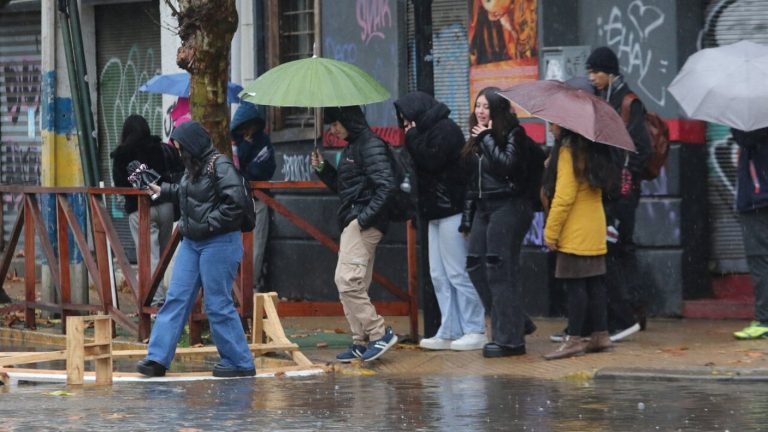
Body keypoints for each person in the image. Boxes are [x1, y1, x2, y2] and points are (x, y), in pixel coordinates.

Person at [136, 121, 255, 378]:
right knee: (176, 298)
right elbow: (187, 192)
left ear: (191, 147)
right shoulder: (195, 167)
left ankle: (240, 362)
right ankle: (156, 359)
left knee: (217, 303)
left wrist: (208, 224)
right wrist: (161, 190)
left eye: (180, 149)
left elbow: (236, 203)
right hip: (192, 241)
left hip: (219, 241)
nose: (178, 154)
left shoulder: (219, 165)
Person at [393, 91, 486, 351]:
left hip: (451, 208)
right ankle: (450, 326)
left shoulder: (446, 130)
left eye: (407, 119)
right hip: (433, 210)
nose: (405, 125)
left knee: (457, 271)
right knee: (438, 274)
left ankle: (474, 327)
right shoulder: (425, 132)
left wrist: (412, 137)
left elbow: (431, 160)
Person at [310, 105, 399, 362]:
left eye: (336, 123)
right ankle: (361, 341)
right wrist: (324, 169)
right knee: (354, 283)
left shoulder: (369, 145)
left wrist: (363, 220)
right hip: (356, 220)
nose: (333, 130)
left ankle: (379, 332)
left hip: (362, 224)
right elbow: (347, 187)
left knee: (347, 281)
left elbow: (386, 185)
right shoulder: (353, 146)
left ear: (349, 120)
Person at [459, 87, 536, 358]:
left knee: (499, 269)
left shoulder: (513, 133)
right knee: (474, 265)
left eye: (486, 107)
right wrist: (467, 219)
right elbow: (470, 183)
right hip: (482, 207)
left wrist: (488, 138)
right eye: (477, 106)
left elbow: (507, 166)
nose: (480, 111)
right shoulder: (475, 137)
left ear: (497, 110)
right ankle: (515, 319)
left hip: (509, 205)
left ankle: (510, 341)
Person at [587, 46, 652, 340]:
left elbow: (639, 149)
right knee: (616, 247)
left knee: (620, 247)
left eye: (595, 72)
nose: (592, 77)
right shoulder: (603, 98)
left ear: (609, 72)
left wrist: (624, 184)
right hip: (610, 188)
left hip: (623, 190)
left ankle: (631, 311)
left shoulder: (628, 102)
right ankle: (628, 311)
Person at [542, 124, 618, 360]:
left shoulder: (568, 152)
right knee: (594, 284)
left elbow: (565, 197)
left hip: (574, 229)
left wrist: (551, 232)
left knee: (575, 287)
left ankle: (574, 339)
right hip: (594, 226)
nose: (550, 127)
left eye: (553, 123)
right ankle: (600, 335)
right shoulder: (594, 149)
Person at [110, 114, 183, 307]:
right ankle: (166, 299)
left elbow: (119, 185)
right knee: (163, 256)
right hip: (166, 205)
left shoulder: (122, 155)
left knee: (149, 257)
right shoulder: (158, 148)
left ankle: (155, 302)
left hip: (140, 211)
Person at [230, 102, 276, 290]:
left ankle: (249, 285)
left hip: (258, 199)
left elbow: (261, 169)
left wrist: (245, 176)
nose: (248, 131)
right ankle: (237, 286)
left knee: (256, 245)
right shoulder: (237, 144)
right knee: (236, 244)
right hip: (239, 201)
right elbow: (235, 167)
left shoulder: (263, 142)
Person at [731, 127, 768, 340]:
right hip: (758, 195)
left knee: (760, 259)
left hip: (758, 197)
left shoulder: (754, 125)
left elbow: (743, 137)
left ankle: (765, 321)